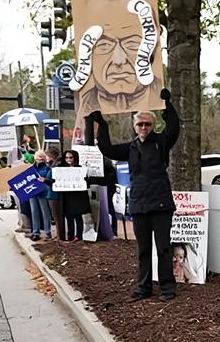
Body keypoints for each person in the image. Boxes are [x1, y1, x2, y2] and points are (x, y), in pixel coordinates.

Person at [90, 88, 179, 302]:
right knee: (143, 249)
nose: (144, 127)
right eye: (140, 124)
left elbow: (174, 128)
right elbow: (107, 149)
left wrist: (167, 104)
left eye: (147, 124)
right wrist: (102, 124)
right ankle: (144, 287)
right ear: (134, 126)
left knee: (164, 248)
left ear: (153, 125)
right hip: (139, 203)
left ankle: (167, 287)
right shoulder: (130, 148)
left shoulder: (161, 142)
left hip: (160, 203)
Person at [57, 149, 92, 242]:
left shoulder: (81, 169)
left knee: (78, 217)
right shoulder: (61, 169)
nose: (68, 159)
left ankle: (79, 236)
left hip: (78, 197)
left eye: (70, 157)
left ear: (75, 158)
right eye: (66, 158)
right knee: (69, 217)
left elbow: (87, 183)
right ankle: (70, 236)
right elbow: (56, 182)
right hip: (67, 196)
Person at [29, 150, 54, 241]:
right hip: (32, 192)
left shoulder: (47, 168)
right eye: (37, 156)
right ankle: (36, 232)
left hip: (43, 192)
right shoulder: (30, 168)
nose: (39, 158)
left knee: (45, 212)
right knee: (34, 211)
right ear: (35, 157)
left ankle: (48, 232)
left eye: (41, 156)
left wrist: (44, 180)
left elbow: (49, 180)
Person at [45, 147, 65, 240]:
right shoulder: (52, 165)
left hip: (55, 194)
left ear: (51, 156)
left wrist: (45, 180)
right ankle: (58, 234)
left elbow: (55, 181)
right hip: (51, 194)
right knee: (55, 216)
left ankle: (60, 235)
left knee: (57, 216)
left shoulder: (57, 166)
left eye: (47, 156)